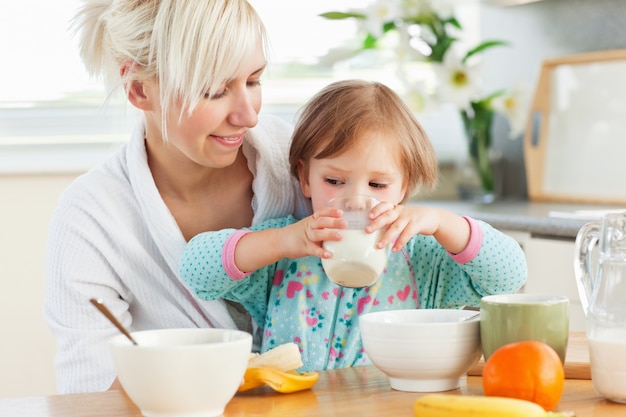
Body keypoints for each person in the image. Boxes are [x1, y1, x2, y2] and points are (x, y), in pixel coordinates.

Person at [43, 0, 311, 394]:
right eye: (215, 91)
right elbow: (89, 394)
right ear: (138, 90)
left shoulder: (299, 162)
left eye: (253, 81)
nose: (248, 115)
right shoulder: (90, 217)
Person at [179, 79, 528, 372]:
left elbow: (509, 276)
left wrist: (442, 222)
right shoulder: (287, 248)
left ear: (403, 187)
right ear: (304, 178)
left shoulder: (421, 255)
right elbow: (196, 271)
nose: (356, 200)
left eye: (377, 185)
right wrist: (279, 242)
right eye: (334, 180)